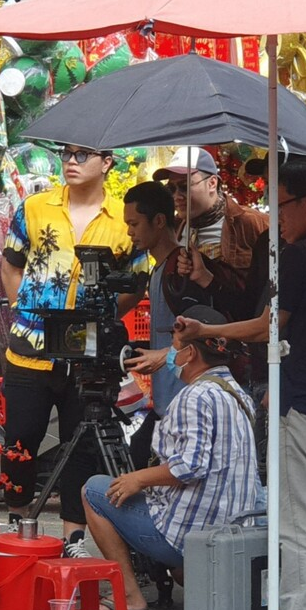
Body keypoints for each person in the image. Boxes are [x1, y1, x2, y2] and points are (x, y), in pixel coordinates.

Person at [177, 160, 306, 610]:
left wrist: (207, 330)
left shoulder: (295, 255)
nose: (276, 216)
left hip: (302, 402)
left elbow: (268, 325)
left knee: (298, 519)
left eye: (280, 204)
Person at [0, 145, 136, 558]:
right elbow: (11, 264)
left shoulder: (123, 219)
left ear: (107, 162)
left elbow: (135, 282)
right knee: (21, 440)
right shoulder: (35, 207)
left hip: (87, 348)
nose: (71, 162)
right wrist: (21, 310)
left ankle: (74, 538)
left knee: (81, 445)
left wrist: (105, 318)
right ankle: (18, 524)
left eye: (82, 155)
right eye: (66, 154)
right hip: (30, 347)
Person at [82, 305, 262, 610]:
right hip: (234, 531)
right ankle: (194, 577)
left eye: (176, 347)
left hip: (190, 536)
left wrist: (138, 478)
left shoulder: (194, 397)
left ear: (190, 354)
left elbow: (190, 467)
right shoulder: (239, 395)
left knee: (95, 490)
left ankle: (129, 596)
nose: (170, 354)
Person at [154, 146, 269, 322]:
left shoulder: (252, 224)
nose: (177, 196)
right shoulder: (174, 227)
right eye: (171, 189)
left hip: (236, 334)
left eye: (184, 187)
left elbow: (261, 297)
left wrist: (207, 276)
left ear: (212, 183)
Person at [120, 182, 185, 466]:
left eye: (134, 223)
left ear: (159, 221)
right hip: (165, 403)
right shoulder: (158, 270)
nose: (129, 232)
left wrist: (165, 355)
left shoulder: (181, 271)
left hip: (182, 403)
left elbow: (201, 336)